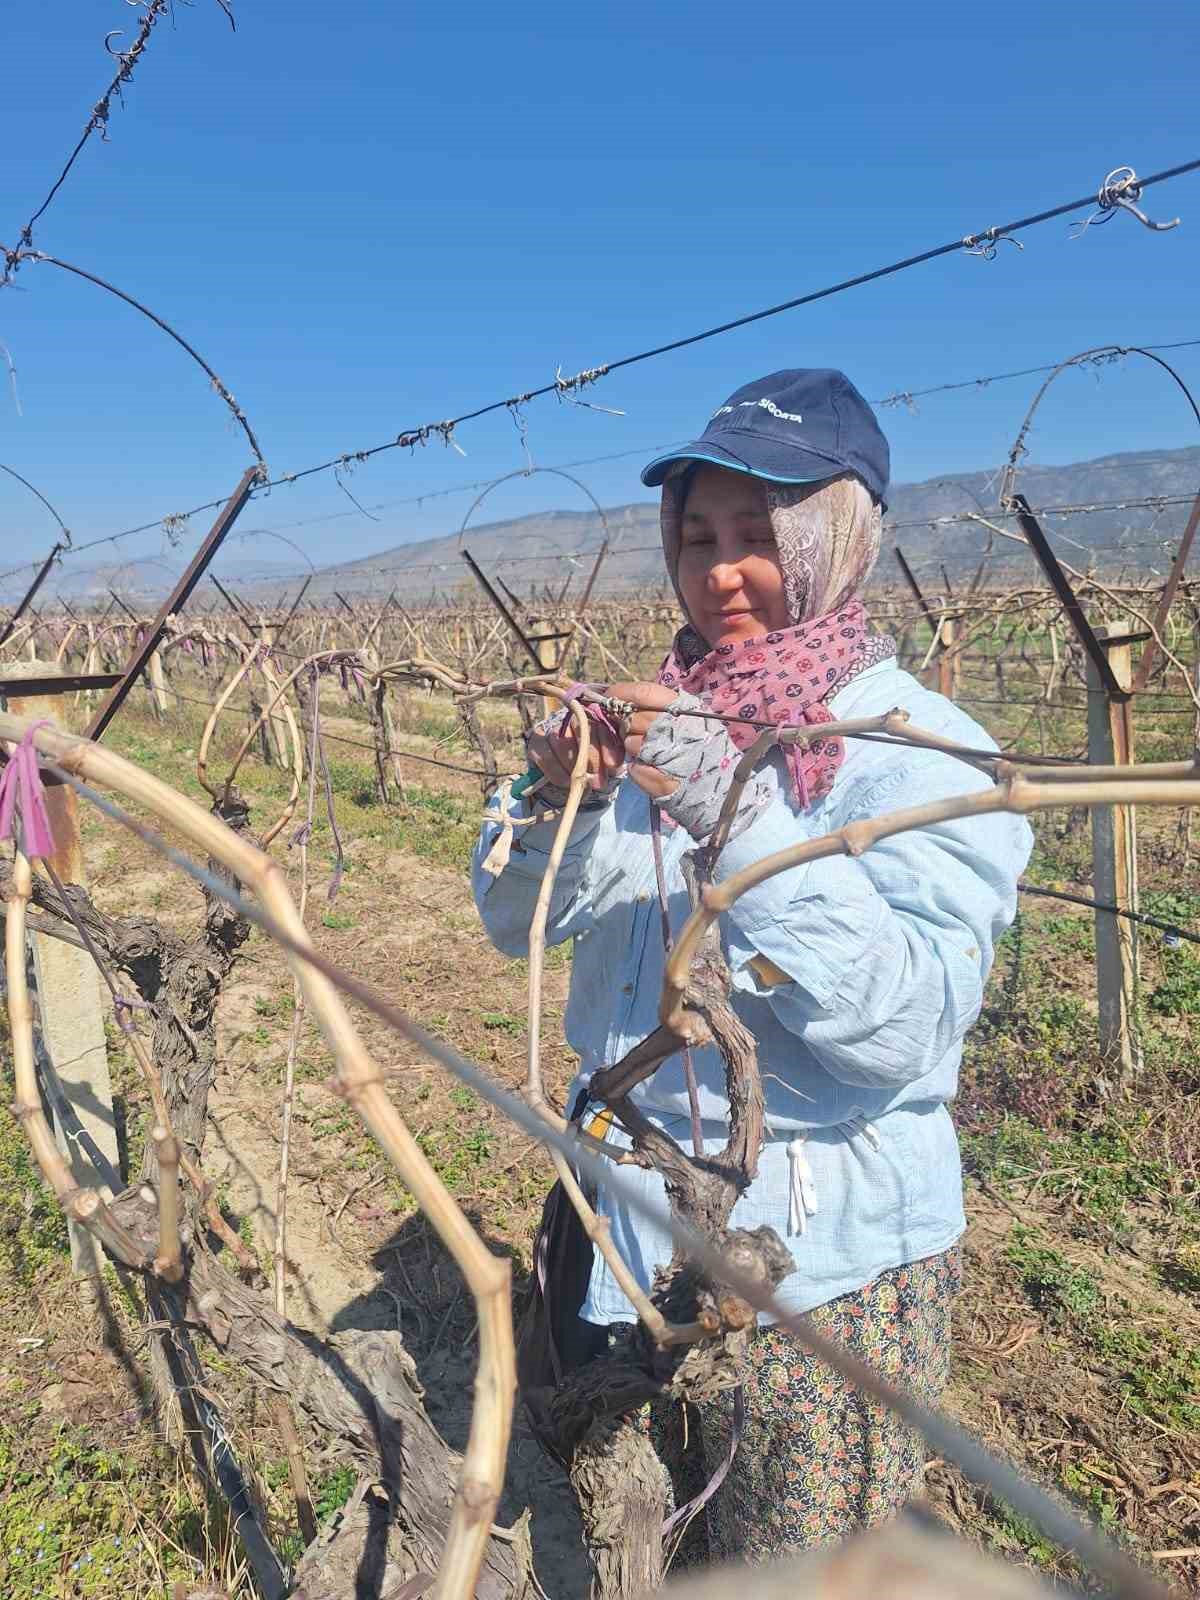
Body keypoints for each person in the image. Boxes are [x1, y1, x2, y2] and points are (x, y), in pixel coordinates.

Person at [472, 369, 1033, 1562]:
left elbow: (906, 1028)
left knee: (801, 1575)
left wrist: (726, 801)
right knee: (643, 1543)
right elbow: (517, 923)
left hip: (815, 1275)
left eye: (758, 536)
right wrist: (553, 800)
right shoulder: (668, 712)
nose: (720, 570)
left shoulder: (922, 756)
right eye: (697, 535)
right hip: (626, 1224)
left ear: (833, 538)